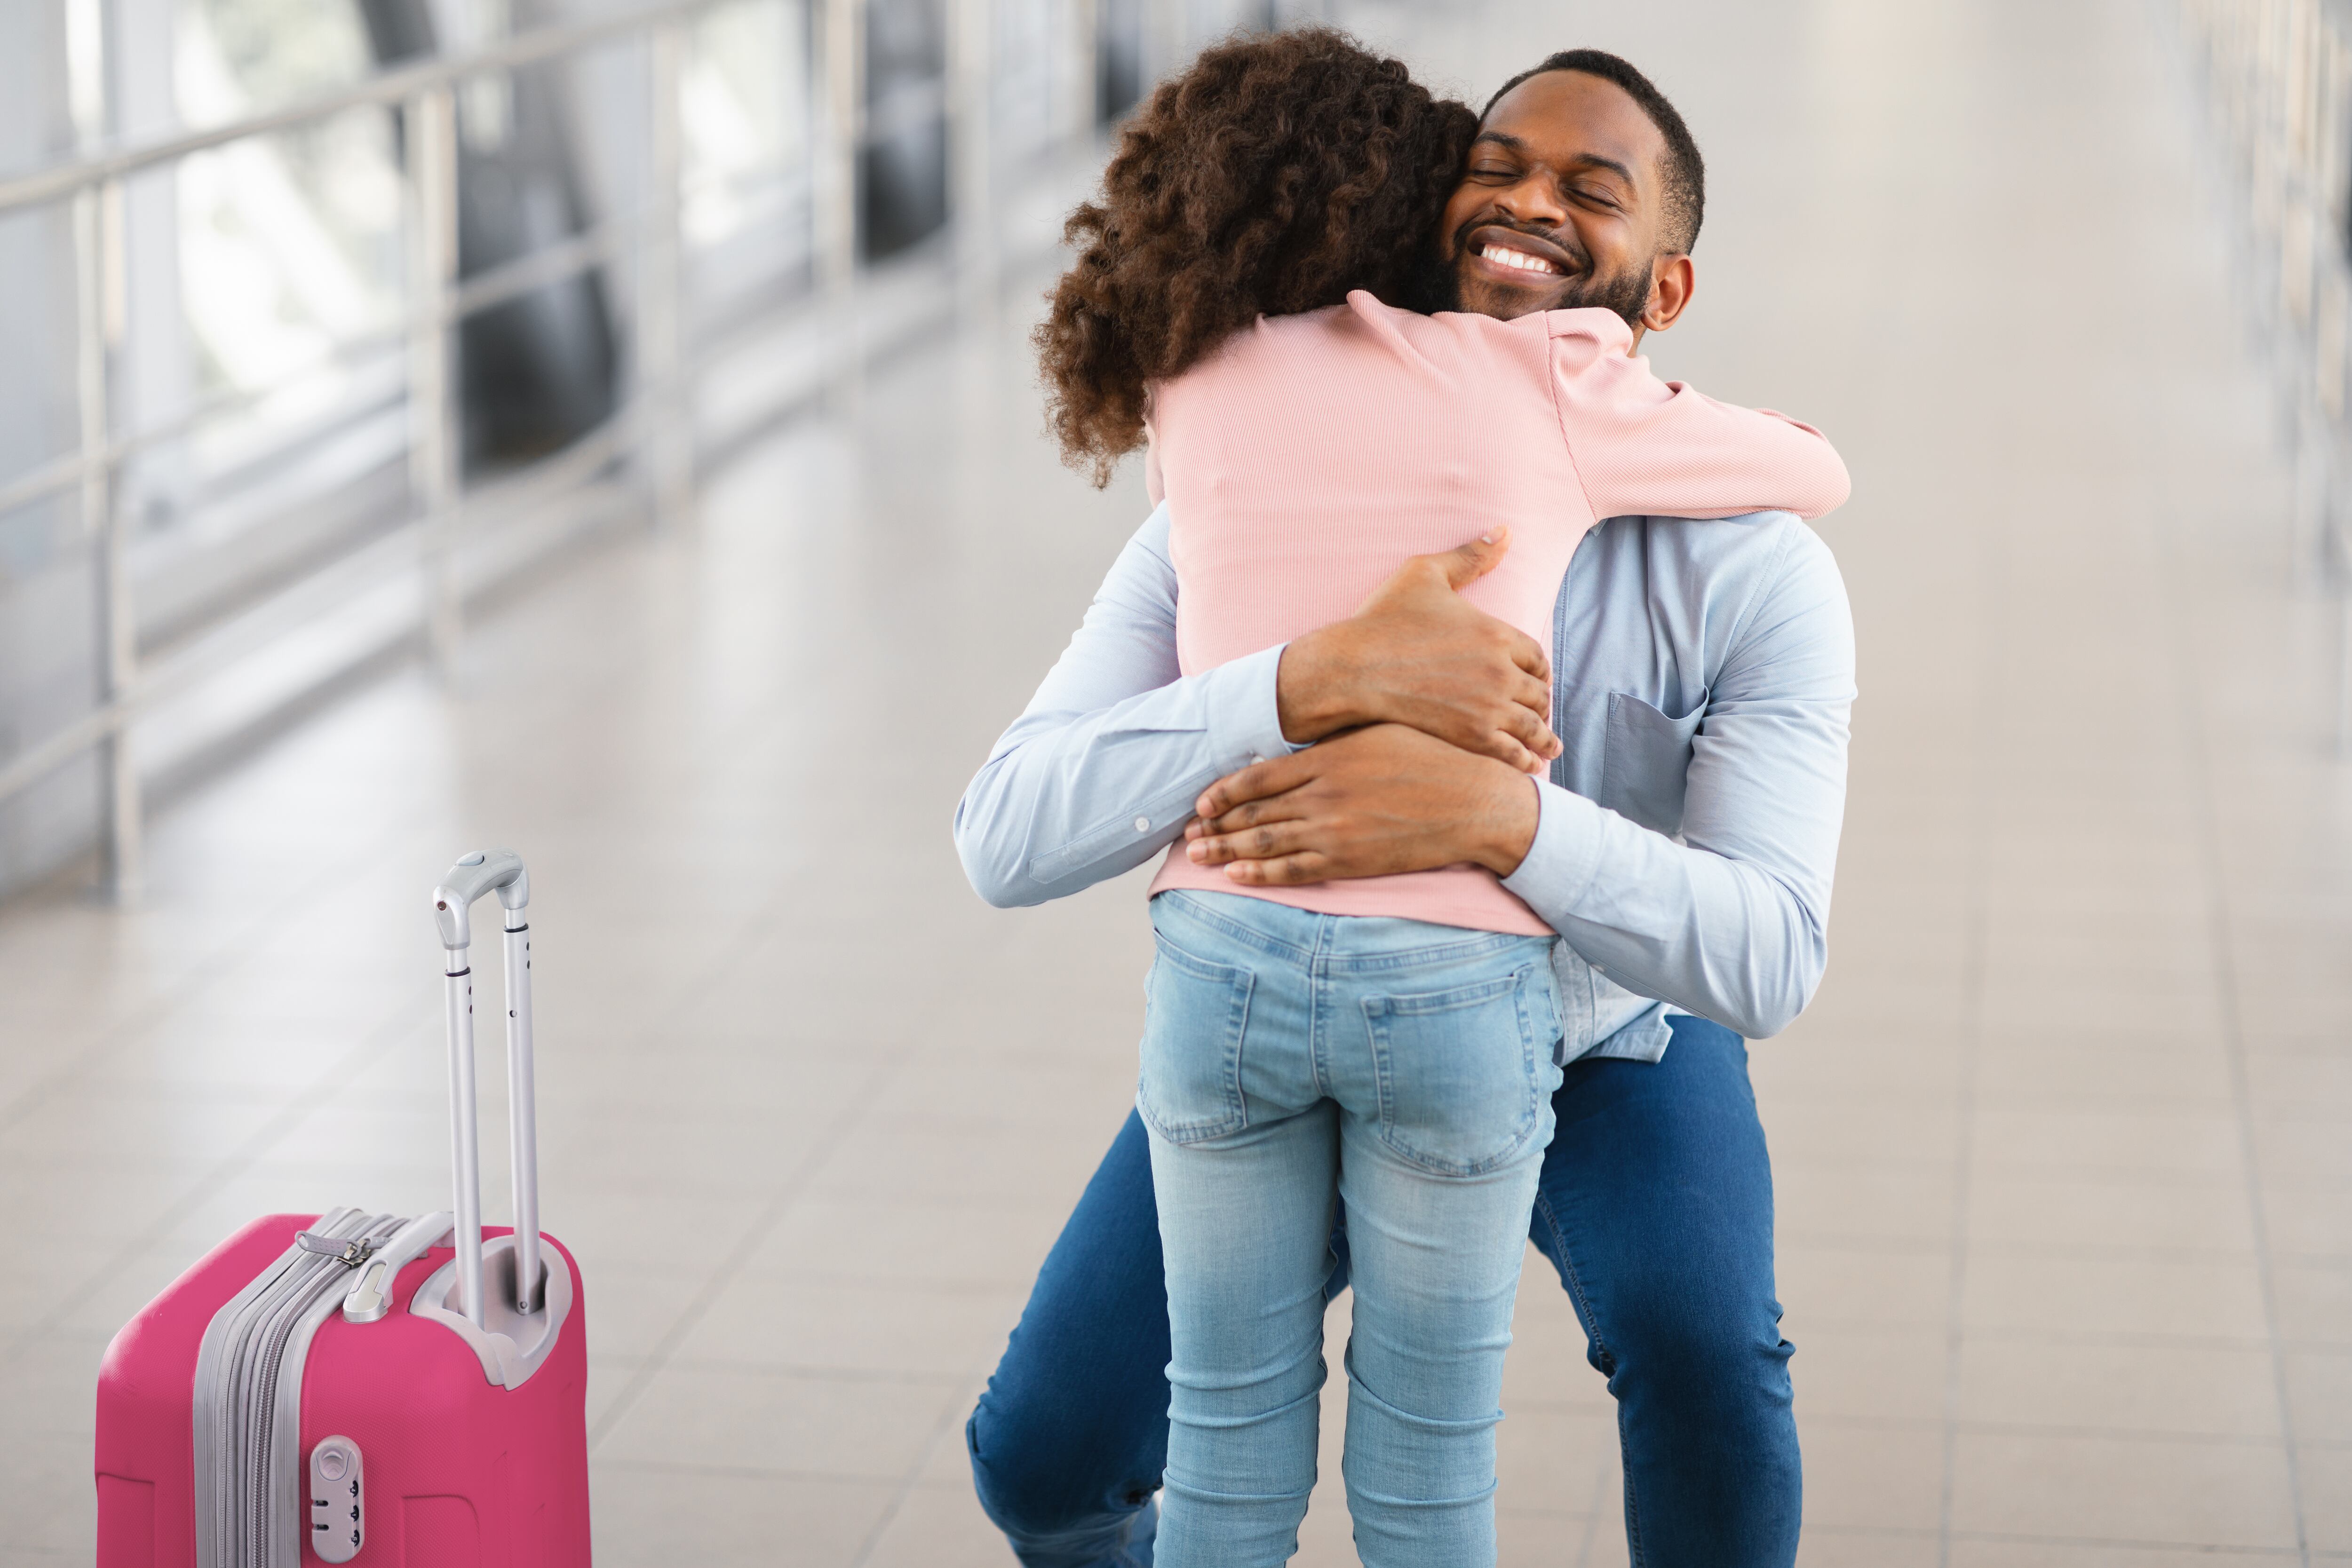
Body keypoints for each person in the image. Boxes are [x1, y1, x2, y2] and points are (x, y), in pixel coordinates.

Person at [956, 45, 1855, 1568]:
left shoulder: (1754, 571)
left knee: (1708, 1360)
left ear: (1666, 290)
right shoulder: (1253, 498)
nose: (1527, 204)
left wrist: (1493, 824)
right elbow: (1012, 829)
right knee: (1039, 1462)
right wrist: (1297, 682)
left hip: (1610, 1033)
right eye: (1495, 165)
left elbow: (1769, 957)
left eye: (1592, 189)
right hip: (1297, 1016)